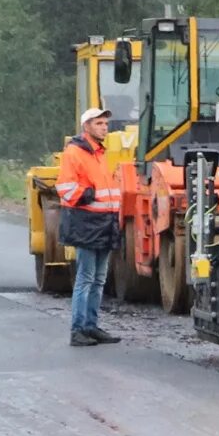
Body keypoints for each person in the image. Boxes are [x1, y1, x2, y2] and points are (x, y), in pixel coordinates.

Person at [56, 107, 123, 347]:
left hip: (104, 223)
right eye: (99, 123)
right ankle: (78, 330)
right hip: (86, 223)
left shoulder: (100, 153)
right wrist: (87, 194)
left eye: (105, 123)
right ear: (87, 127)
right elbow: (64, 187)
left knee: (98, 279)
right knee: (86, 278)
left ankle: (90, 327)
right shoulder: (75, 152)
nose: (104, 127)